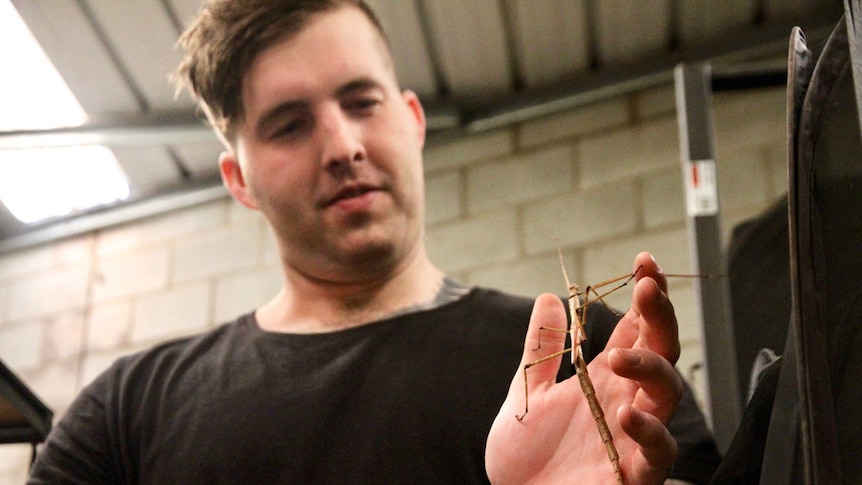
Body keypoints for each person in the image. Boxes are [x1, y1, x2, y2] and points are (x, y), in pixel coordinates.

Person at [28, 1, 720, 483]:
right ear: (239, 179)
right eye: (289, 125)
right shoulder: (123, 411)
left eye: (362, 102)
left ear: (413, 119)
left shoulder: (593, 353)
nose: (343, 146)